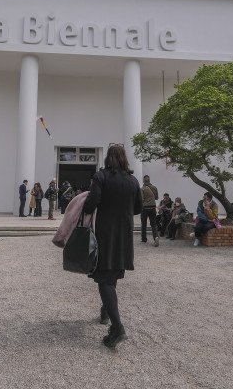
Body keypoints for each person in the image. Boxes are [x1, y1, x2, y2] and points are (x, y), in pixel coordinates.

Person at [82, 144, 142, 349]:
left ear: (108, 158)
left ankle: (118, 328)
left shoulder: (101, 177)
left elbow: (91, 204)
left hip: (106, 234)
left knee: (105, 279)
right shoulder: (133, 180)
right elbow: (138, 208)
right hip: (125, 235)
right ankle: (106, 312)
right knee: (113, 274)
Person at [140, 175, 159, 246]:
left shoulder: (142, 189)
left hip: (144, 208)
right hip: (153, 208)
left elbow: (141, 199)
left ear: (143, 181)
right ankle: (156, 237)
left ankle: (144, 239)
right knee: (153, 224)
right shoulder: (154, 187)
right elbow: (156, 198)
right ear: (149, 180)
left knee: (144, 224)